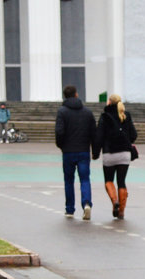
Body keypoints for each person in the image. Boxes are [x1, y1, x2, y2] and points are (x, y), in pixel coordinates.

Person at [93, 93, 138, 219]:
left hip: (109, 153)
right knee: (121, 181)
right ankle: (122, 211)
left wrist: (95, 153)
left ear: (109, 102)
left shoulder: (104, 116)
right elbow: (133, 135)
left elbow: (99, 136)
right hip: (125, 154)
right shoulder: (126, 115)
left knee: (109, 180)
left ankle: (114, 201)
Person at [55, 84, 96, 219]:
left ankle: (70, 209)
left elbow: (59, 132)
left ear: (65, 96)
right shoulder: (87, 112)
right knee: (85, 179)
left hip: (68, 151)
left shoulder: (62, 112)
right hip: (83, 150)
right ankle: (86, 204)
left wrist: (61, 145)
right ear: (76, 94)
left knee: (69, 181)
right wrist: (94, 150)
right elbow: (93, 133)